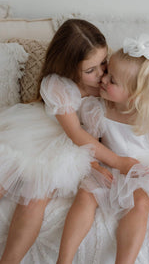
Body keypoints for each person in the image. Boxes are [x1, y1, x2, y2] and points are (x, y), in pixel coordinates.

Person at [0, 19, 137, 264]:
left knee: (36, 195)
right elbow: (75, 134)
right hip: (45, 134)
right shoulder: (57, 86)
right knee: (7, 170)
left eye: (103, 63)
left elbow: (99, 130)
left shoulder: (109, 82)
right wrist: (118, 162)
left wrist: (93, 164)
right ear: (70, 68)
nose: (101, 74)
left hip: (78, 148)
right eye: (90, 70)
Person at [56, 34, 149, 264]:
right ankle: (65, 259)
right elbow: (89, 143)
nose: (103, 79)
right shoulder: (96, 109)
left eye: (112, 81)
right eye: (107, 72)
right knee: (85, 193)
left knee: (140, 200)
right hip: (109, 164)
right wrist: (93, 167)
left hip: (144, 170)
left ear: (135, 95)